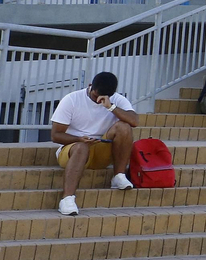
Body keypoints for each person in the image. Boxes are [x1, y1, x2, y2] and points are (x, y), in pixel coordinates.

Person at [50, 72, 139, 216]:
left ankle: (119, 176)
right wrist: (79, 139)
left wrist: (110, 107)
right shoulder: (72, 99)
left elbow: (134, 121)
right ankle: (67, 199)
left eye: (102, 98)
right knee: (81, 147)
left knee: (124, 127)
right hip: (74, 149)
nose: (98, 101)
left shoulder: (117, 100)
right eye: (95, 96)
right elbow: (55, 135)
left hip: (101, 151)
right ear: (90, 87)